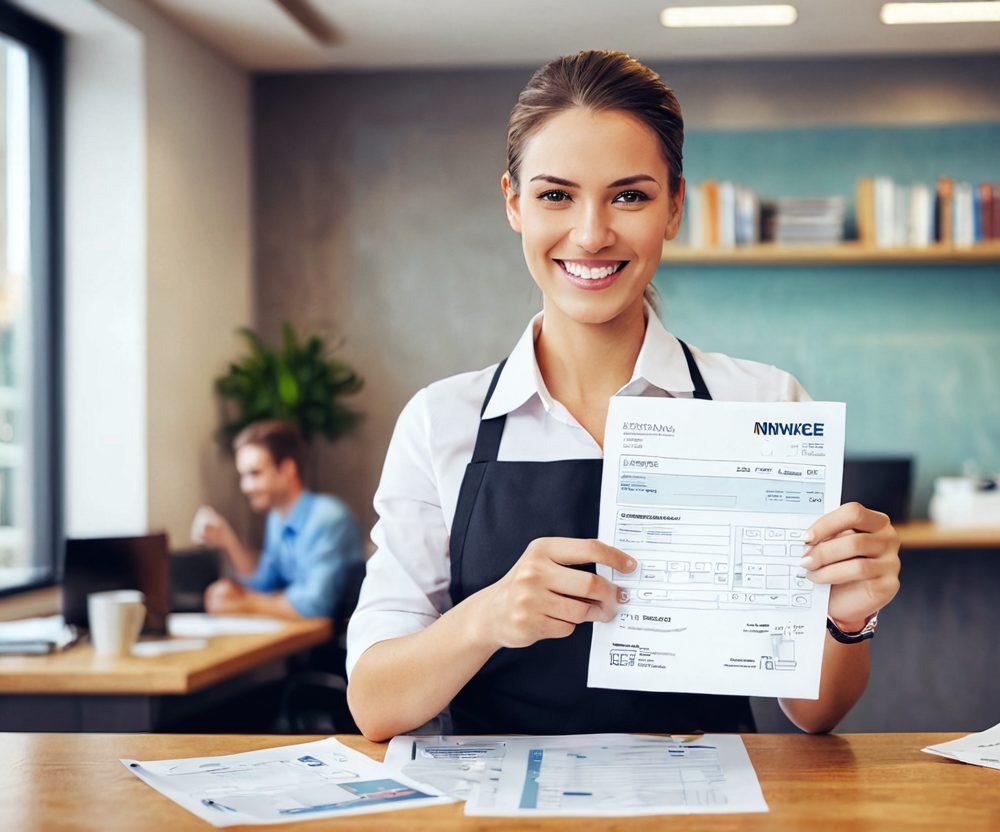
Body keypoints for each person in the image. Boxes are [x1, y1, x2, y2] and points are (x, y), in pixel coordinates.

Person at [347, 50, 901, 740]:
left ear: (674, 207)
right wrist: (486, 617)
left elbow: (815, 713)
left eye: (629, 196)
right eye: (556, 195)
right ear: (514, 204)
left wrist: (849, 619)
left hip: (711, 809)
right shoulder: (442, 422)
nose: (591, 233)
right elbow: (374, 703)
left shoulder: (766, 403)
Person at [194, 419, 363, 621]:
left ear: (287, 470)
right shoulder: (277, 518)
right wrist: (228, 540)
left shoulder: (328, 518)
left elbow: (315, 605)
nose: (245, 487)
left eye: (255, 474)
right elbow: (264, 585)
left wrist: (244, 603)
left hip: (337, 645)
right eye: (243, 476)